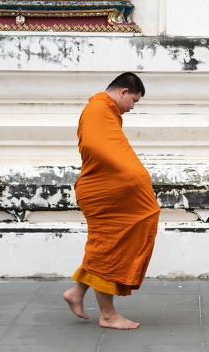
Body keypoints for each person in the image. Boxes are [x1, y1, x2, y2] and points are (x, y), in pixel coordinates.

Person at [63, 72, 160, 329]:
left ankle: (76, 292)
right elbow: (96, 145)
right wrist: (132, 173)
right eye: (134, 101)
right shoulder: (98, 109)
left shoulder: (104, 110)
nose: (132, 107)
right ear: (123, 92)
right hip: (103, 191)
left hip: (106, 187)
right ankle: (107, 315)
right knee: (108, 247)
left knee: (105, 245)